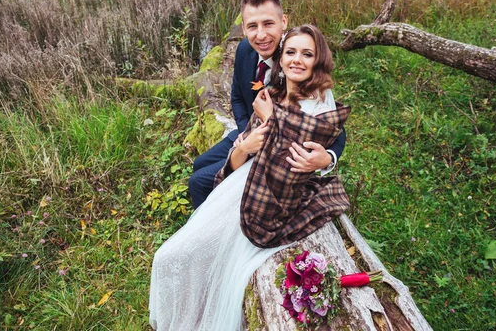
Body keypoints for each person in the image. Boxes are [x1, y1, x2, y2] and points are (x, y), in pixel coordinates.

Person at [149, 25, 351, 331]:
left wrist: (278, 123)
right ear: (281, 59)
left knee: (195, 256)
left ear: (317, 61)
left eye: (307, 54)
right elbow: (240, 153)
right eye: (291, 52)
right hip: (239, 183)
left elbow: (290, 159)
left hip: (270, 198)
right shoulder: (272, 93)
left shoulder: (319, 105)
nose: (297, 59)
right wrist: (244, 146)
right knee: (170, 256)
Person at [188, 0, 346, 208]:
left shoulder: (297, 60)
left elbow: (334, 127)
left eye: (268, 24)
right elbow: (237, 98)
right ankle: (220, 205)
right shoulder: (245, 50)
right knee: (199, 163)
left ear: (283, 21)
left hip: (278, 154)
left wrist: (328, 158)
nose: (261, 35)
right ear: (243, 28)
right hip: (249, 134)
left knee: (198, 182)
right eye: (252, 26)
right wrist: (246, 135)